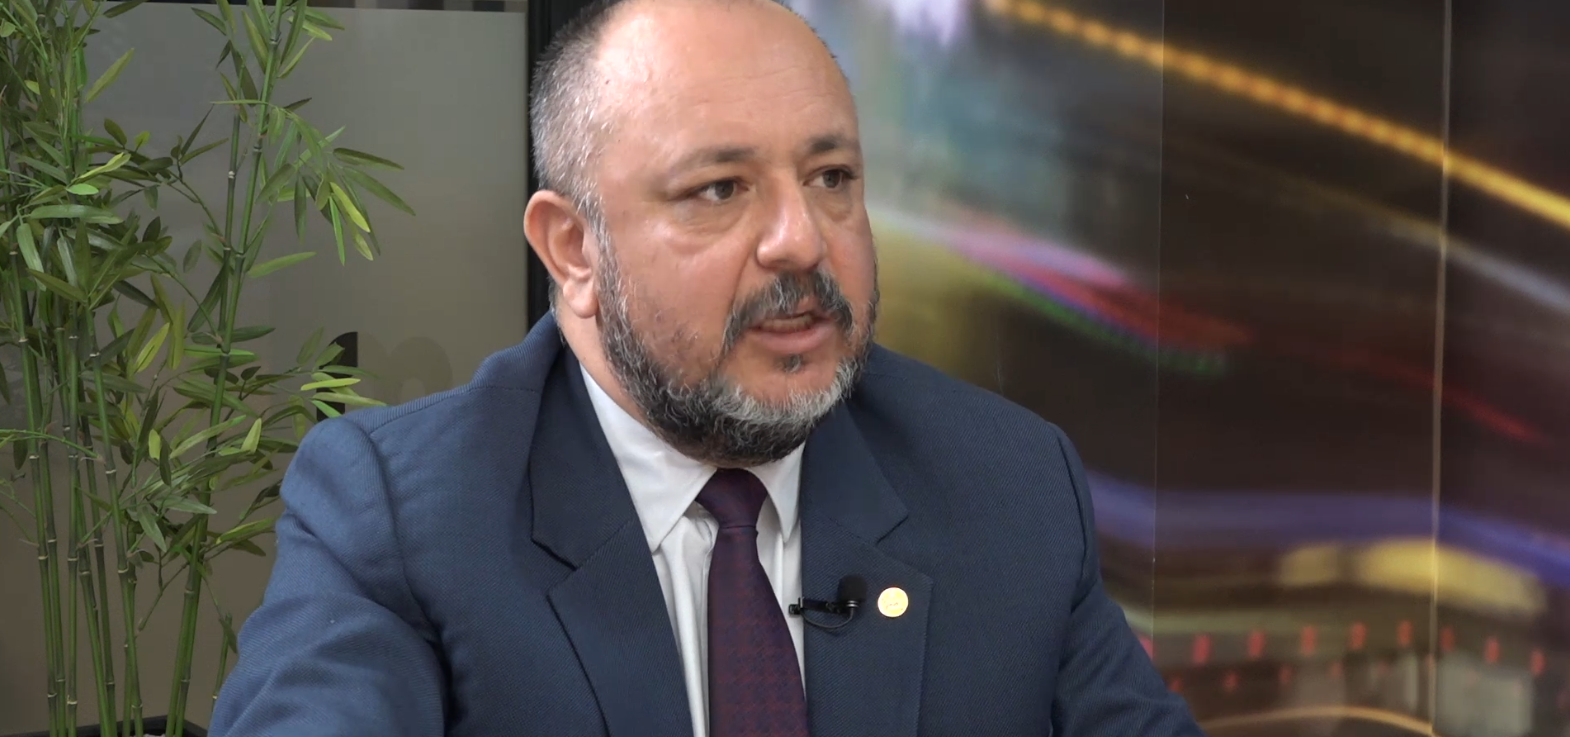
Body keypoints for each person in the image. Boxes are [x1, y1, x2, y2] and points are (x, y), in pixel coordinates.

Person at [210, 0, 1206, 735]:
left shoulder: (1007, 483)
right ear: (573, 250)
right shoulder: (401, 514)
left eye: (831, 177)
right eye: (721, 189)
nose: (800, 240)